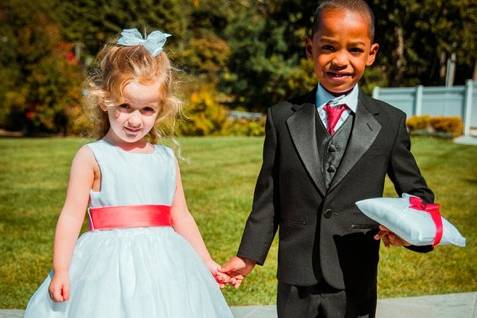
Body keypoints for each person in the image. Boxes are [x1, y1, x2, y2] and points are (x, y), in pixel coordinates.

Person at [221, 1, 434, 317]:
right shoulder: (281, 118)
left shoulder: (389, 123)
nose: (340, 60)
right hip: (296, 280)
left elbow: (419, 197)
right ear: (310, 48)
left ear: (371, 54)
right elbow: (268, 198)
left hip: (354, 280)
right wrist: (248, 256)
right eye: (329, 47)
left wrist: (409, 230)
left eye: (355, 50)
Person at [25, 28, 233, 318]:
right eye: (125, 106)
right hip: (107, 267)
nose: (135, 120)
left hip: (165, 266)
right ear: (105, 100)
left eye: (147, 109)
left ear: (161, 109)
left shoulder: (165, 158)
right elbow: (71, 215)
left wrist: (206, 261)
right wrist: (61, 269)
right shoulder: (93, 156)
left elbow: (181, 216)